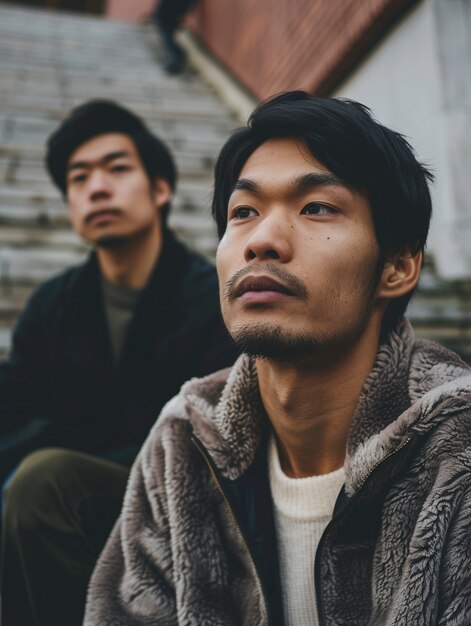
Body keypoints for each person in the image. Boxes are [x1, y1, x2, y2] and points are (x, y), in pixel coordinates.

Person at [85, 90, 471, 626]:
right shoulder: (185, 441)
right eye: (243, 212)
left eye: (316, 207)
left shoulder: (458, 451)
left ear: (398, 267)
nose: (261, 240)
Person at [0, 99, 237, 626]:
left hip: (185, 507)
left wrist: (69, 441)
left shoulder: (216, 299)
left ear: (161, 190)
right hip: (74, 505)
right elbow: (13, 413)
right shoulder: (52, 306)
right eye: (79, 178)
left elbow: (220, 436)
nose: (97, 187)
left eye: (117, 168)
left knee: (43, 479)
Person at [153, 0, 197, 74]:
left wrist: (182, 13)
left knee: (167, 38)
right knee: (167, 37)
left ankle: (178, 58)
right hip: (169, 12)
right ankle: (176, 58)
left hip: (168, 13)